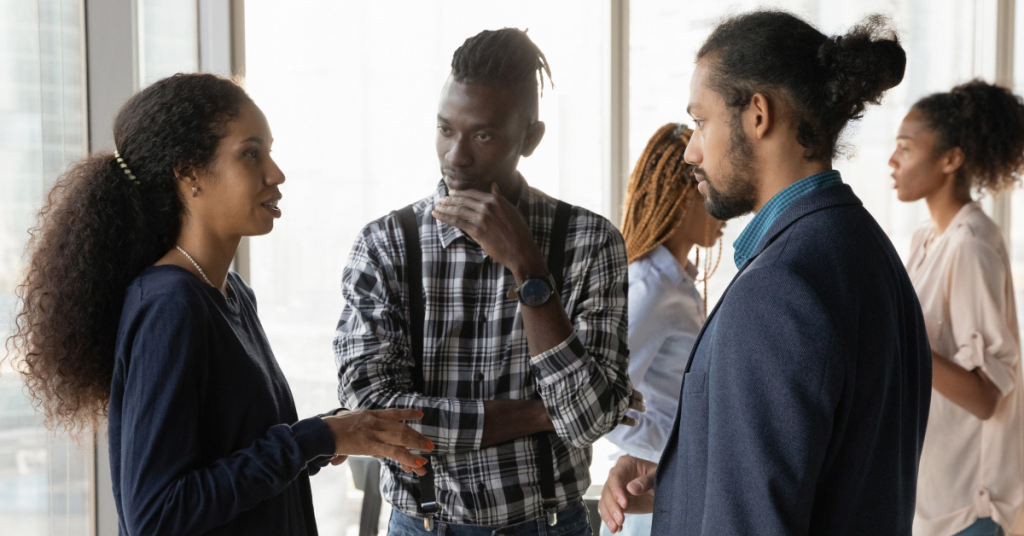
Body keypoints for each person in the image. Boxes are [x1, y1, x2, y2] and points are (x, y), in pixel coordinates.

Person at [4, 73, 433, 536]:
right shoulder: (171, 306)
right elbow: (157, 517)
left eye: (269, 151)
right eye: (251, 154)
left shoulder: (230, 294)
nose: (276, 173)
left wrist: (328, 435)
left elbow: (237, 461)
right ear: (189, 173)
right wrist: (313, 438)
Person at [599, 11, 932, 535]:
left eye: (701, 121)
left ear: (758, 115)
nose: (691, 150)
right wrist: (684, 475)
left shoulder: (778, 290)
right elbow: (832, 476)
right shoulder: (868, 252)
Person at [334, 28, 640, 536]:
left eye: (482, 134)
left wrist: (528, 269)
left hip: (548, 525)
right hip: (423, 526)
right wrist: (540, 415)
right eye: (445, 129)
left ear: (530, 138)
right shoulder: (385, 245)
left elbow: (587, 422)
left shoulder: (588, 241)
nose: (456, 156)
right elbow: (375, 416)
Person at [889, 80, 1024, 536]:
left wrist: (899, 344)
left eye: (906, 148)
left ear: (951, 159)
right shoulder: (927, 240)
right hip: (932, 499)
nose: (892, 161)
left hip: (969, 511)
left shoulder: (971, 245)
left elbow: (986, 397)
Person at [600, 123, 724, 536]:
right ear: (683, 194)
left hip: (675, 487)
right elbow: (604, 409)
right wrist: (676, 445)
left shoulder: (677, 281)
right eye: (709, 184)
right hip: (649, 492)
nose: (722, 204)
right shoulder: (650, 287)